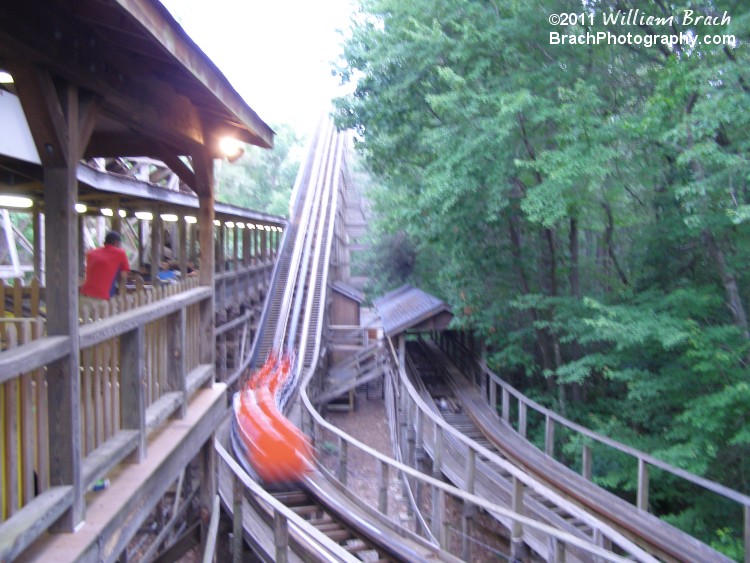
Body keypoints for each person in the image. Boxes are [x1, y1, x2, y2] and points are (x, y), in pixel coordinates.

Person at [80, 231, 131, 304]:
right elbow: (124, 276)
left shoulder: (91, 253)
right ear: (117, 243)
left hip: (84, 296)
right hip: (102, 298)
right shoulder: (120, 253)